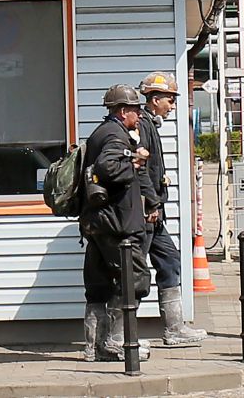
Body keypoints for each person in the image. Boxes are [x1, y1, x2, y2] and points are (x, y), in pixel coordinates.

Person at [81, 84, 153, 362]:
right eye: (136, 109)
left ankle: (94, 347)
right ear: (123, 111)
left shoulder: (101, 132)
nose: (139, 114)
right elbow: (108, 168)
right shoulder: (115, 134)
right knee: (135, 280)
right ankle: (117, 341)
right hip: (116, 223)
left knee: (99, 284)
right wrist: (135, 163)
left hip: (98, 221)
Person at [137, 71, 208, 345]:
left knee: (169, 260)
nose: (172, 105)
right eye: (169, 99)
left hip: (154, 213)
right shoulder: (143, 126)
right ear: (154, 100)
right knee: (134, 271)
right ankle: (121, 337)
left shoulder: (149, 125)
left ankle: (174, 329)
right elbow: (139, 168)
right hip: (146, 212)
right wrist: (152, 202)